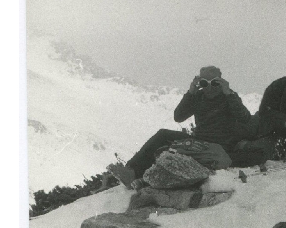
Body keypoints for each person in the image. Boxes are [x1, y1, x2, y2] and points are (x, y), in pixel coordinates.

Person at [106, 66, 252, 189]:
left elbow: (245, 118)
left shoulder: (229, 97)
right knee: (163, 135)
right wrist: (190, 93)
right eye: (204, 83)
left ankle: (141, 179)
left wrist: (229, 93)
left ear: (221, 82)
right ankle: (131, 172)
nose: (209, 88)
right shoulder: (198, 97)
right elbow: (178, 116)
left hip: (219, 145)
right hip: (199, 140)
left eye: (214, 83)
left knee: (169, 151)